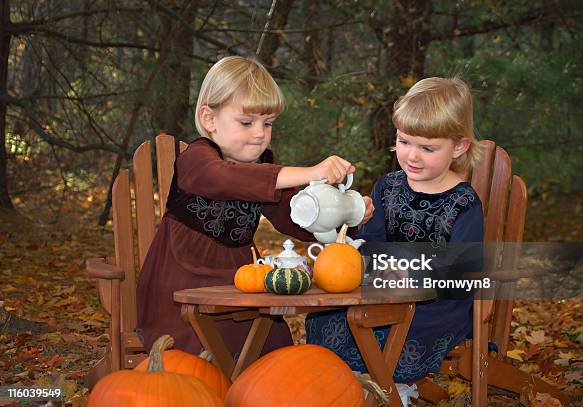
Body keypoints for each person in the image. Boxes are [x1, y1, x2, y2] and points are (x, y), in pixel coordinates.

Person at [136, 56, 374, 356]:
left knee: (272, 349)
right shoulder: (197, 159)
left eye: (268, 123)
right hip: (182, 283)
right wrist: (310, 172)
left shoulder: (265, 165)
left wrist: (345, 219)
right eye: (247, 122)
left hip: (240, 277)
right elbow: (225, 179)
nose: (260, 133)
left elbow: (294, 218)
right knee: (204, 351)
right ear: (210, 119)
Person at [306, 76, 484, 384]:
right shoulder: (388, 188)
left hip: (436, 306)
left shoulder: (463, 202)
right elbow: (370, 243)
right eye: (404, 142)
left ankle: (391, 390)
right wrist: (349, 257)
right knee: (329, 316)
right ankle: (340, 385)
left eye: (427, 148)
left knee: (392, 328)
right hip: (382, 295)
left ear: (459, 146)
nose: (412, 156)